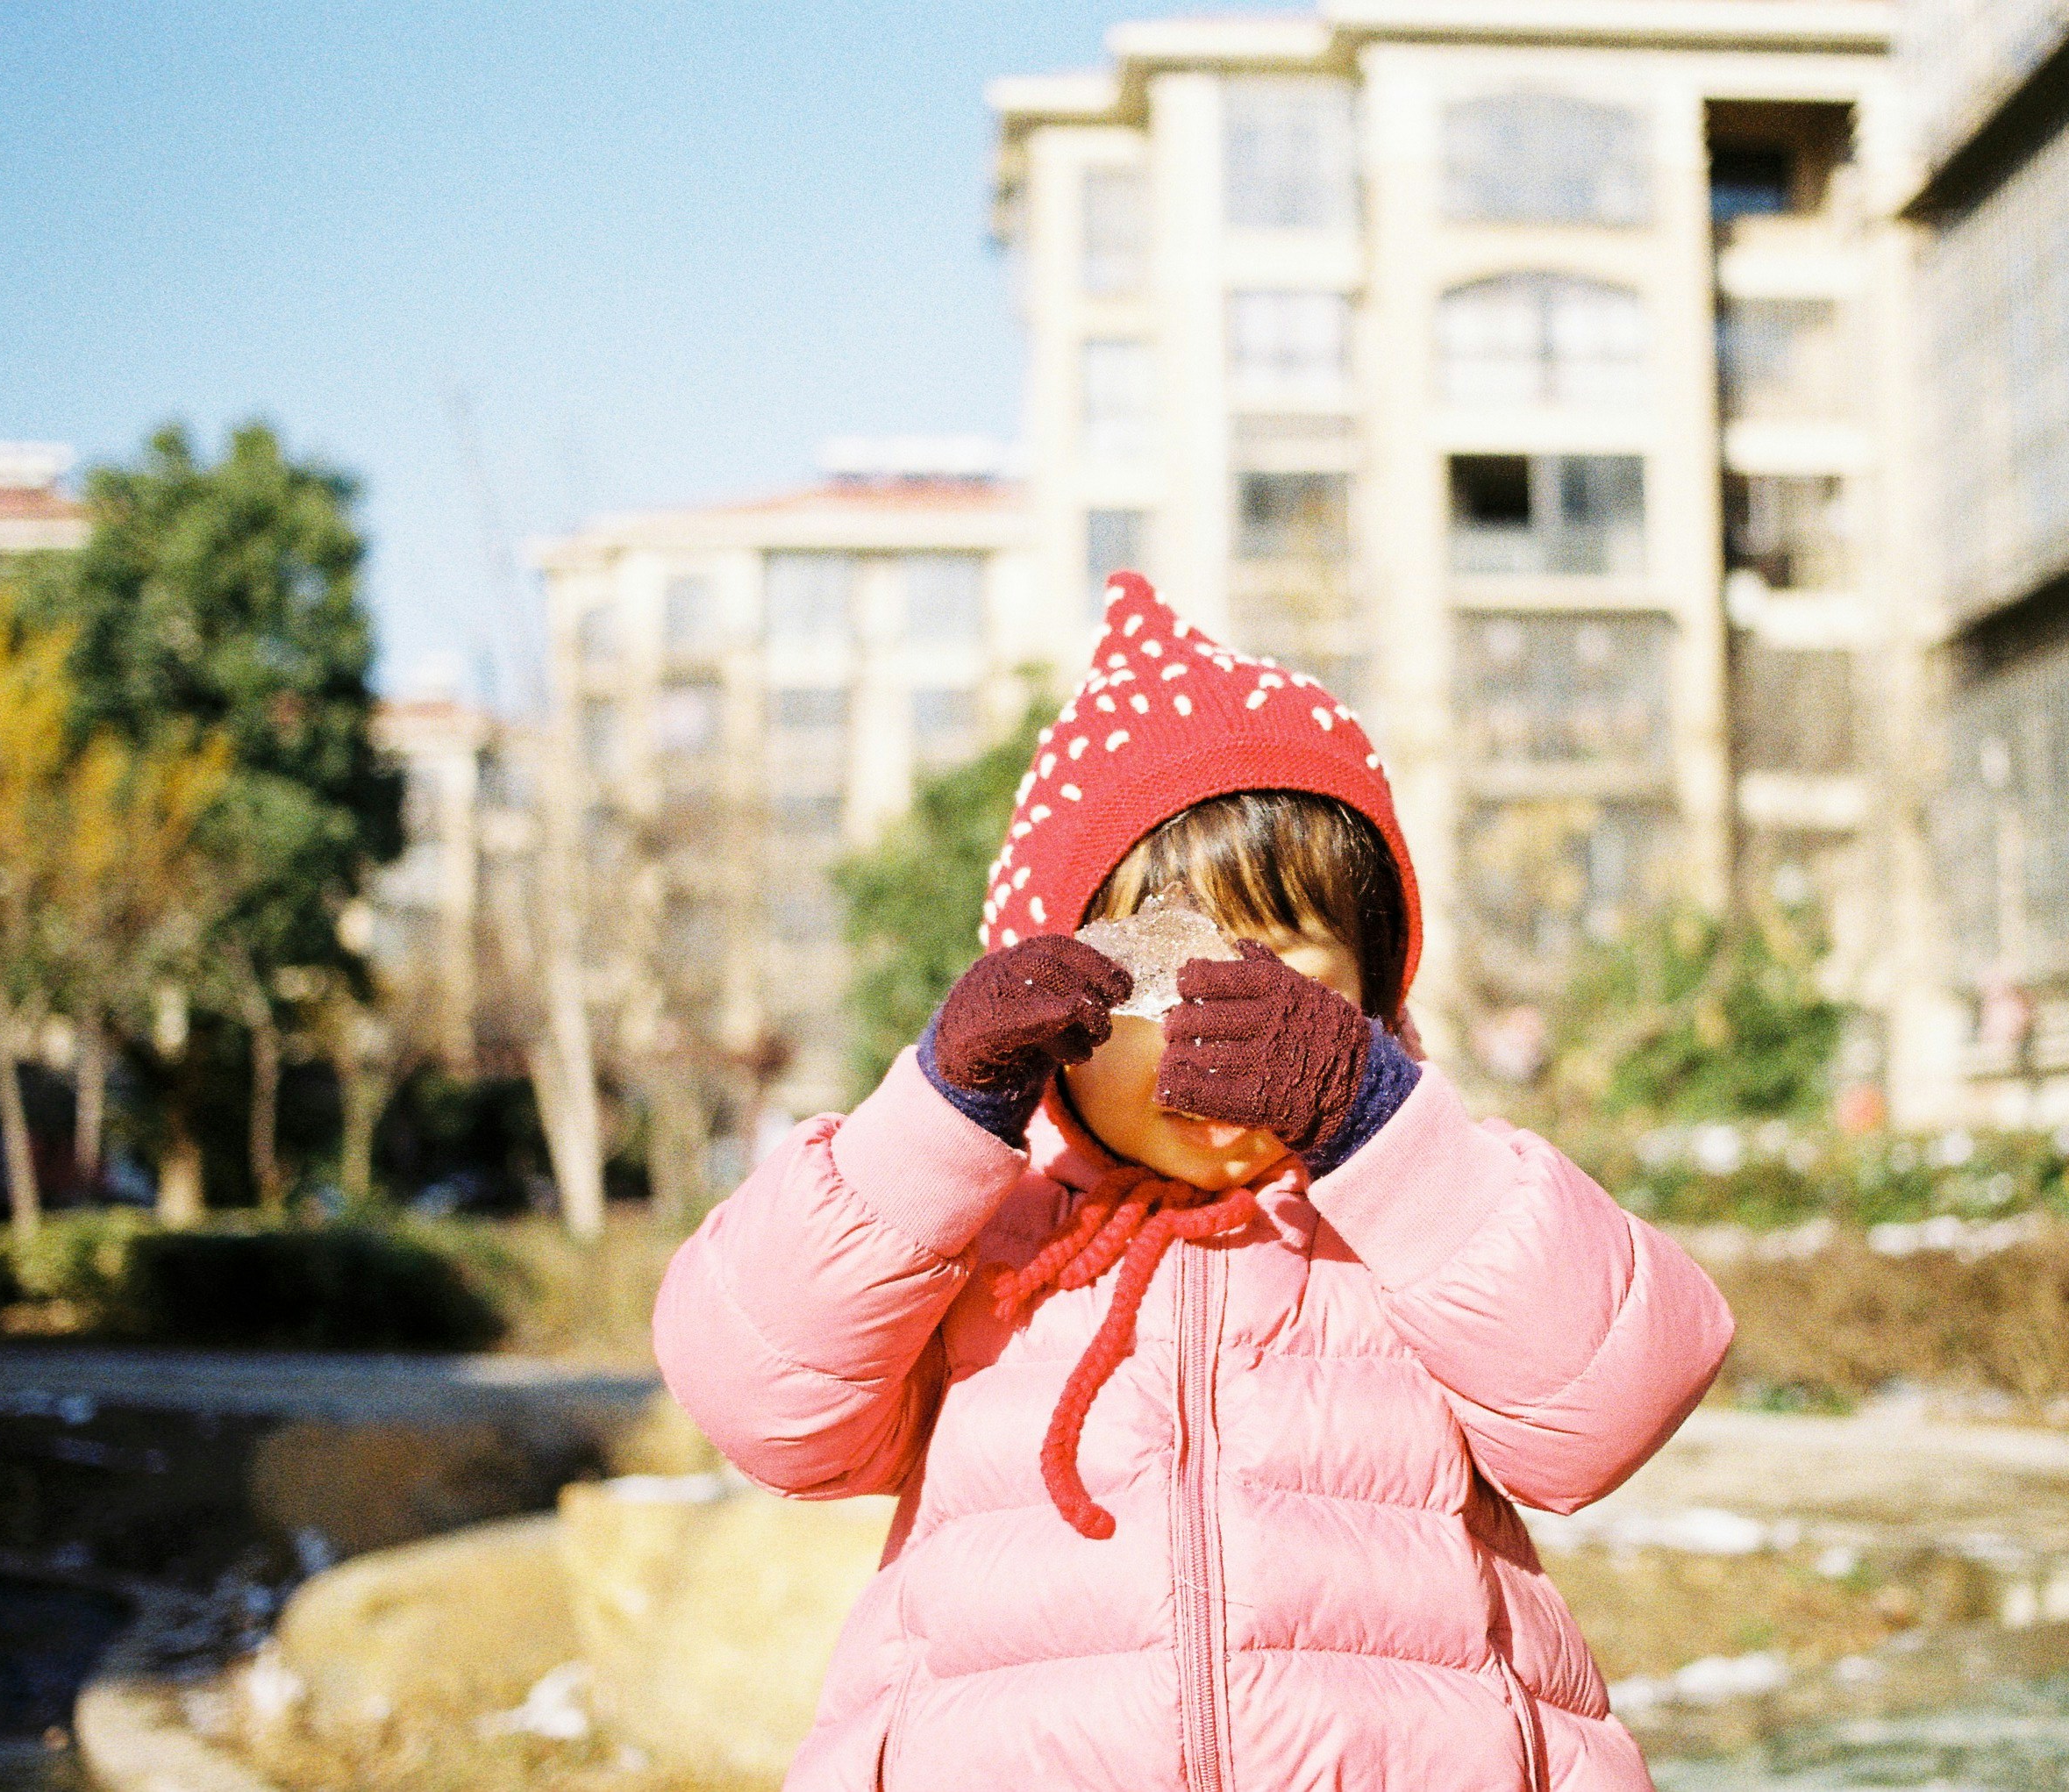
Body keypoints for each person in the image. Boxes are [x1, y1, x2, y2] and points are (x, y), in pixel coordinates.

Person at [654, 572, 1735, 1791]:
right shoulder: (974, 1243)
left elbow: (1609, 1404)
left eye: (1272, 965)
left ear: (1370, 994)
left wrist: (1373, 1123)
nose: (1210, 1022)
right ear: (1053, 1010)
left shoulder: (1426, 1219)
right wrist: (941, 1111)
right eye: (1153, 973)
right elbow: (762, 1402)